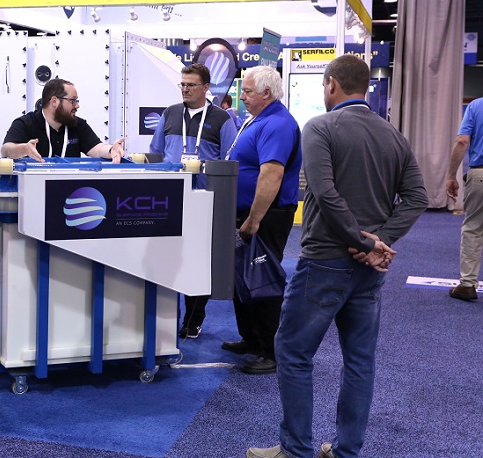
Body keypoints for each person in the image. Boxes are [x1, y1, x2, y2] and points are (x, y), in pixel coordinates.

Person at [247, 55, 427, 458]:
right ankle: (346, 452)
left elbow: (325, 194)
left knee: (293, 352)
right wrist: (378, 241)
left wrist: (365, 242)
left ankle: (295, 450)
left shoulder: (320, 127)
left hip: (325, 261)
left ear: (331, 84)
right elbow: (418, 197)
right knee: (360, 361)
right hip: (368, 271)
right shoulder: (394, 135)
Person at [149, 62, 238, 338]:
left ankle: (193, 319)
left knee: (199, 262)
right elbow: (156, 152)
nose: (185, 89)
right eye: (183, 84)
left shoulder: (222, 120)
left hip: (204, 201)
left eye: (191, 85)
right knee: (168, 259)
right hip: (170, 199)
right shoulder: (170, 113)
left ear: (206, 88)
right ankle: (164, 318)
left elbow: (230, 160)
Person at [223, 66, 301, 375]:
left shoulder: (277, 123)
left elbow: (272, 174)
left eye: (247, 91)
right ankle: (252, 339)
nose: (241, 97)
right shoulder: (259, 119)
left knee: (263, 282)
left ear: (267, 93)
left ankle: (270, 351)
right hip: (248, 213)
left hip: (266, 216)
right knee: (243, 279)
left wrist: (254, 220)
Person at [0, 77, 125, 162]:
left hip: (69, 189)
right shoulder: (26, 123)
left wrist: (111, 150)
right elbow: (6, 150)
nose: (77, 105)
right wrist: (24, 149)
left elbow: (96, 148)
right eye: (73, 101)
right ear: (54, 101)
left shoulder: (78, 124)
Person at [446, 97, 483, 301]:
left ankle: (467, 285)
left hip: (480, 175)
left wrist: (451, 176)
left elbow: (462, 141)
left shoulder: (476, 106)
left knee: (473, 229)